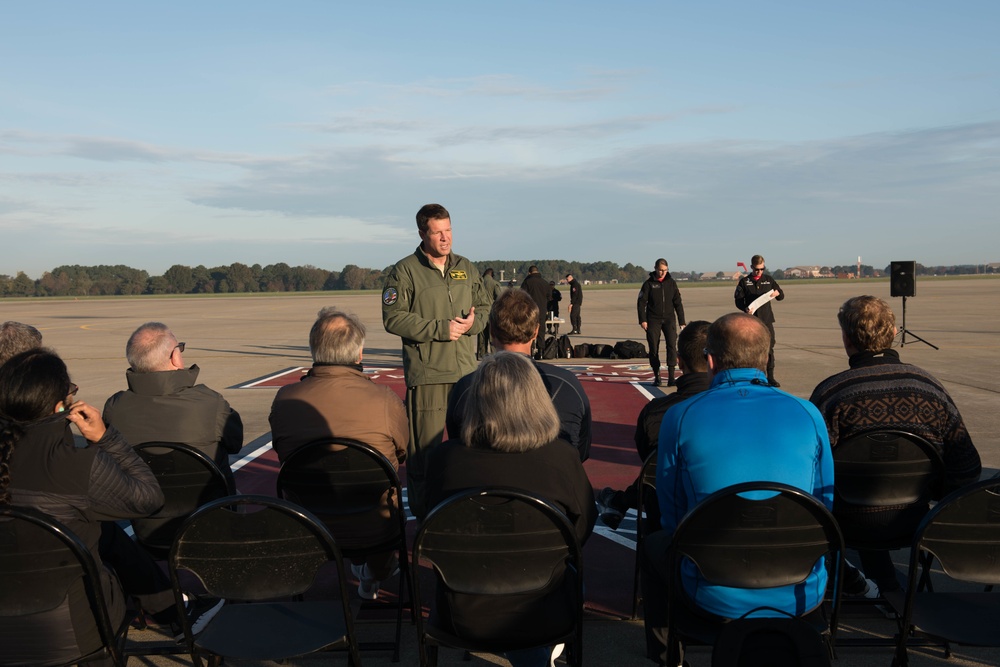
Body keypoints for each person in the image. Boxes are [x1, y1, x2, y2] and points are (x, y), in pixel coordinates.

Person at [0, 349, 222, 654]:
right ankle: (173, 611)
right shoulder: (77, 465)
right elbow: (149, 500)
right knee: (96, 528)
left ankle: (171, 607)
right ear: (61, 405)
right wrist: (106, 438)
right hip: (73, 629)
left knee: (96, 531)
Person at [641, 313, 833, 663]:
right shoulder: (807, 414)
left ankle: (668, 656)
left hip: (713, 592)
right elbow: (825, 507)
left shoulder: (681, 416)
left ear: (710, 361)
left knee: (654, 542)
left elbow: (672, 516)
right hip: (800, 589)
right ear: (766, 359)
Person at [425, 351, 596, 667]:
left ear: (475, 401)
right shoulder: (561, 458)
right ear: (536, 400)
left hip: (461, 607)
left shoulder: (445, 459)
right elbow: (581, 530)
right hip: (545, 608)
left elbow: (428, 528)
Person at [809, 295, 982, 593]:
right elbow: (967, 467)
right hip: (916, 521)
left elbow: (811, 471)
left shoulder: (831, 394)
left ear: (846, 339)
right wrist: (936, 500)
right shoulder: (929, 387)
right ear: (892, 334)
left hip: (848, 524)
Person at [269, 308, 408, 599]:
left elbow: (284, 454)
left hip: (310, 524)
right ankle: (376, 571)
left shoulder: (285, 399)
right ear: (359, 353)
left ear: (314, 350)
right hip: (375, 527)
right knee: (386, 494)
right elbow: (401, 453)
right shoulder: (385, 399)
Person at [381, 203, 492, 518]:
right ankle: (424, 514)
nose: (445, 238)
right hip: (428, 375)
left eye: (449, 230)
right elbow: (393, 317)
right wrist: (439, 329)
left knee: (472, 449)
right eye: (438, 232)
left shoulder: (466, 267)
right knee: (424, 455)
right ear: (422, 234)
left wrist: (475, 323)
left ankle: (471, 511)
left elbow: (484, 307)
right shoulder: (403, 271)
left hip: (466, 376)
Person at [445, 289, 592, 467]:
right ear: (536, 331)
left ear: (491, 330)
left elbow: (458, 440)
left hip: (483, 485)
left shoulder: (467, 386)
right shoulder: (567, 383)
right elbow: (580, 452)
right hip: (552, 485)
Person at [595, 321, 711, 530]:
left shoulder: (658, 413)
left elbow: (651, 467)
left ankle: (620, 503)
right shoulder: (745, 413)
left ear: (679, 363)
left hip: (671, 528)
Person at [103, 322, 244, 489]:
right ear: (175, 357)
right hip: (207, 508)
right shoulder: (211, 403)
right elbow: (235, 443)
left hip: (140, 509)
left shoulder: (115, 407)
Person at [734, 254, 784, 386]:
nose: (759, 272)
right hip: (752, 321)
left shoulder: (769, 280)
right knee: (752, 349)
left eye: (762, 269)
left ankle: (770, 377)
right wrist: (745, 308)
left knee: (769, 348)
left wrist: (777, 293)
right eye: (757, 269)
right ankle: (755, 376)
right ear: (751, 267)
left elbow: (781, 296)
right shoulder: (744, 282)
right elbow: (738, 301)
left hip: (767, 320)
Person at [637, 259, 686, 387]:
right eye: (660, 270)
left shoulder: (671, 283)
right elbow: (641, 303)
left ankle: (671, 377)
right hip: (653, 319)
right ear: (655, 268)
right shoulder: (648, 284)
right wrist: (643, 320)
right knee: (654, 348)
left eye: (665, 270)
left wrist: (682, 321)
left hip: (669, 319)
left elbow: (678, 303)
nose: (662, 272)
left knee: (671, 346)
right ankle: (657, 376)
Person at [520, 266, 550, 354]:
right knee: (541, 329)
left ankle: (531, 349)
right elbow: (549, 296)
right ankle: (541, 350)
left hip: (530, 309)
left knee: (530, 329)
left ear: (529, 273)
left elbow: (521, 295)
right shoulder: (544, 282)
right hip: (542, 309)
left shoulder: (527, 282)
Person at [478, 268, 504, 359]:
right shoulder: (494, 283)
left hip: (480, 312)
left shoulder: (478, 282)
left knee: (481, 334)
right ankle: (493, 354)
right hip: (491, 311)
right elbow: (499, 297)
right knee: (492, 334)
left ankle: (481, 354)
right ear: (492, 274)